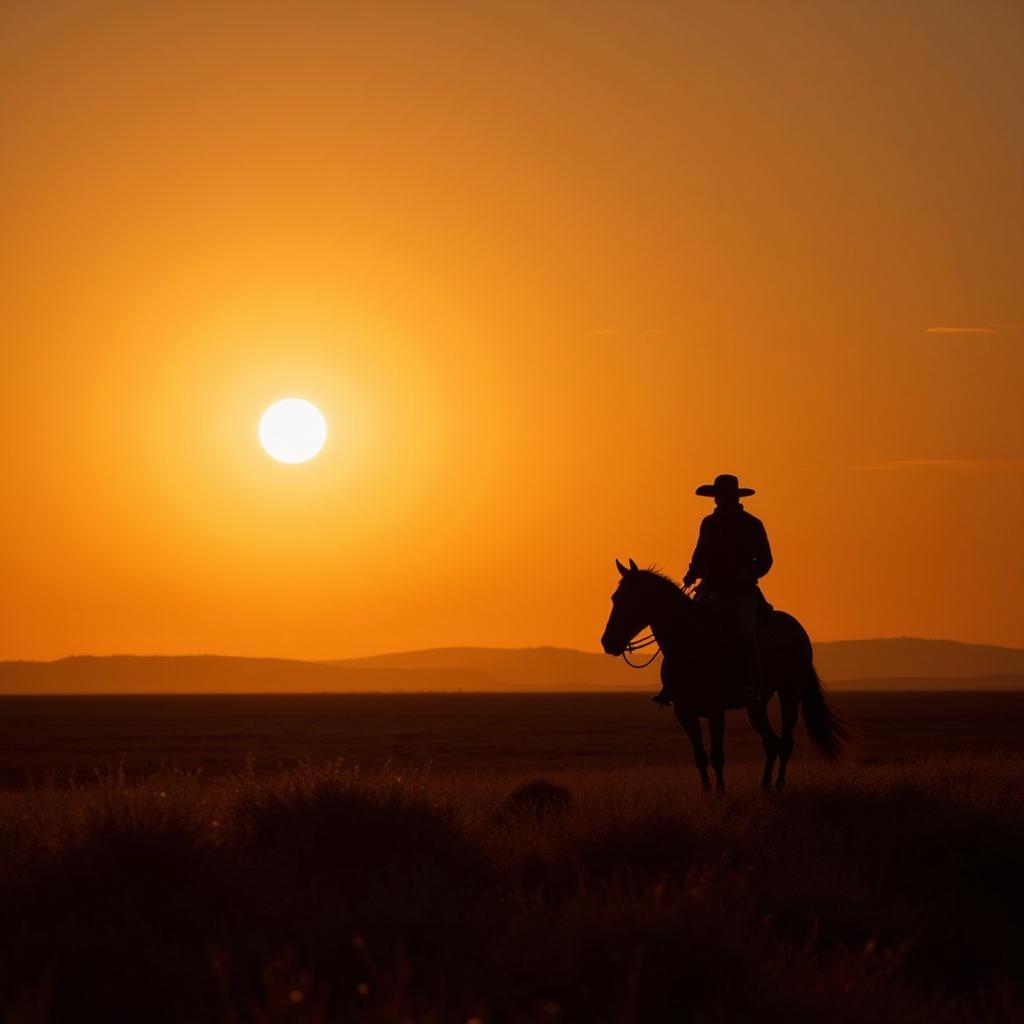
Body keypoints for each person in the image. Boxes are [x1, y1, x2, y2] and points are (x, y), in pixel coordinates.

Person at [652, 474, 773, 707]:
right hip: (710, 588)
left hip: (742, 593)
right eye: (717, 496)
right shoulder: (709, 523)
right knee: (684, 629)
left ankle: (752, 684)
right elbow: (700, 552)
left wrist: (749, 575)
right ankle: (673, 683)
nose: (719, 500)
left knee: (746, 634)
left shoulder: (752, 524)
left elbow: (766, 560)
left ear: (732, 497)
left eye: (722, 496)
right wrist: (692, 572)